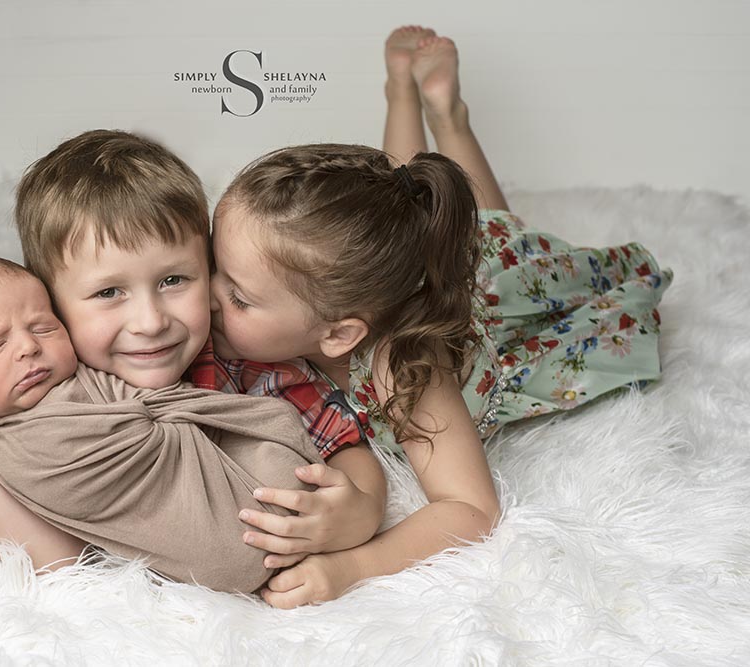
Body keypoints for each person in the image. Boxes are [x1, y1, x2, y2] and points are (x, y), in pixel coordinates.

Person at [210, 25, 673, 607]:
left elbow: (473, 508)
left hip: (505, 308)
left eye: (240, 297)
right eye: (214, 267)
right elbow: (397, 197)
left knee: (501, 233)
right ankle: (403, 95)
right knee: (402, 191)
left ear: (338, 335)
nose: (206, 297)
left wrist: (356, 567)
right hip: (411, 261)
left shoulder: (404, 371)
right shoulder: (328, 289)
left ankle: (450, 117)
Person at [0, 131, 387, 588]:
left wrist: (361, 511)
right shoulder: (48, 396)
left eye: (174, 280)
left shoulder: (242, 359)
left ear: (208, 267)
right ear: (53, 301)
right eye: (109, 292)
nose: (150, 322)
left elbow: (343, 443)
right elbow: (50, 560)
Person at [0, 253, 325, 592]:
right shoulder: (2, 454)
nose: (28, 348)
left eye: (43, 327)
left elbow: (178, 409)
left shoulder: (97, 377)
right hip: (234, 550)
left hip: (267, 494)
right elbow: (57, 565)